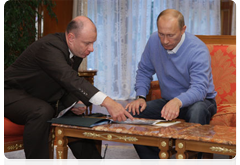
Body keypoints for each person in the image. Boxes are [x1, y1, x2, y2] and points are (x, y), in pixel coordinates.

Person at [4, 16, 133, 165]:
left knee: (72, 112)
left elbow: (63, 83)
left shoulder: (74, 51)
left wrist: (74, 102)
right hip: (10, 93)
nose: (91, 49)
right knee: (42, 110)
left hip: (36, 95)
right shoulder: (49, 47)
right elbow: (68, 77)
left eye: (93, 43)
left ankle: (91, 162)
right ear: (71, 37)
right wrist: (108, 102)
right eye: (87, 43)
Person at [125, 9, 217, 165]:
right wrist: (140, 96)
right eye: (161, 34)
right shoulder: (154, 41)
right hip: (168, 100)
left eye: (170, 35)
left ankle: (191, 162)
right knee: (131, 113)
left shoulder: (198, 50)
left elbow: (199, 89)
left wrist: (177, 101)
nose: (165, 41)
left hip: (201, 101)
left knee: (198, 111)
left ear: (183, 30)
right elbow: (144, 70)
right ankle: (154, 161)